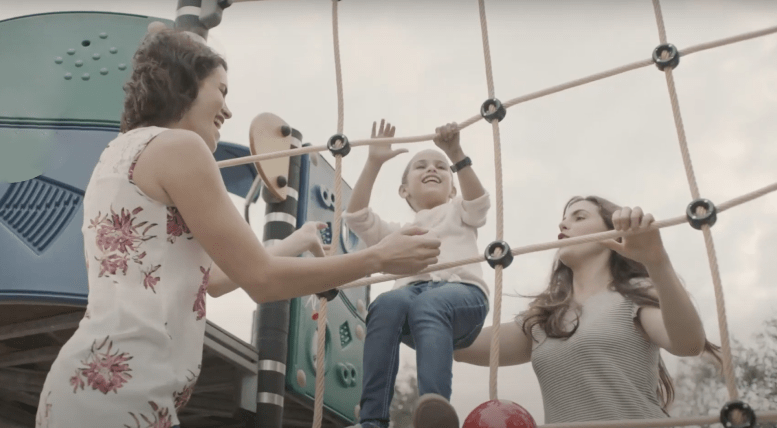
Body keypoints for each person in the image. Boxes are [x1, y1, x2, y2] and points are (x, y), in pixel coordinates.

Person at [34, 29, 441, 428]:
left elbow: (215, 277)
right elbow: (261, 281)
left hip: (89, 387)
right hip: (122, 395)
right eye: (222, 91)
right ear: (184, 84)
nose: (228, 110)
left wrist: (295, 242)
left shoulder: (118, 154)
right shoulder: (182, 148)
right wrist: (378, 257)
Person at [454, 195, 721, 425]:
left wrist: (657, 261)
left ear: (614, 234)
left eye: (580, 217)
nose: (563, 224)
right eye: (564, 219)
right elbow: (455, 344)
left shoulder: (635, 293)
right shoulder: (543, 317)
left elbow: (688, 344)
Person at [342, 120, 491, 428]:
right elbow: (356, 217)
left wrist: (456, 154)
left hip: (462, 297)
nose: (432, 169)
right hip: (413, 306)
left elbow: (479, 203)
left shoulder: (459, 210)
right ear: (404, 190)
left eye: (441, 166)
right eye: (420, 166)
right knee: (385, 303)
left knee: (429, 304)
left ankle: (434, 412)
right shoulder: (399, 232)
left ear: (453, 188)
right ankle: (372, 419)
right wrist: (373, 162)